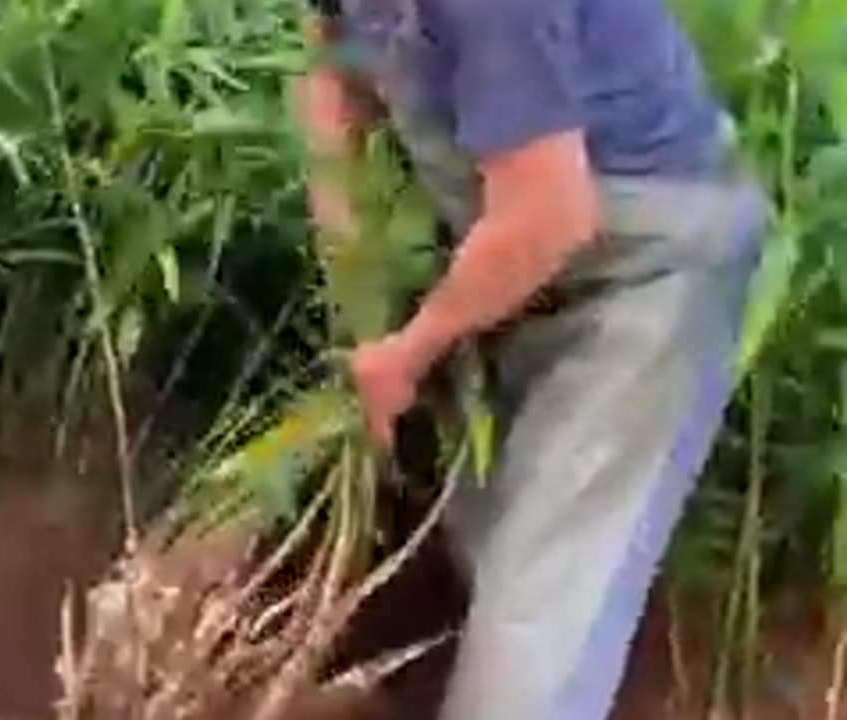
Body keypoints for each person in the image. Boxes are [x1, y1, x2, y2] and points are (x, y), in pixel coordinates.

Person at [294, 0, 768, 718]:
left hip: (652, 269)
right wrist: (353, 286)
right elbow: (329, 70)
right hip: (519, 260)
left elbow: (551, 212)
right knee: (489, 544)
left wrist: (410, 350)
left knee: (545, 600)